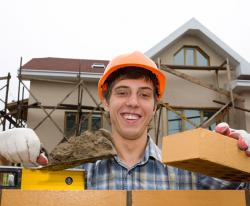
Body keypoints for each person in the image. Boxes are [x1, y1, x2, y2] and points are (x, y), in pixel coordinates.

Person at [0, 51, 249, 190]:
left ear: (154, 106)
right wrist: (3, 158)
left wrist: (241, 159)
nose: (133, 102)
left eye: (144, 94)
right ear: (106, 103)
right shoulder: (74, 172)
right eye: (122, 92)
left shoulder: (186, 173)